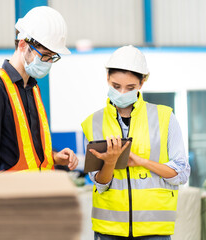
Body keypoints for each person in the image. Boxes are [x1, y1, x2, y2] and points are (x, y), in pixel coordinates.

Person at [81, 45, 190, 240]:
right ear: (107, 78)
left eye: (130, 87)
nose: (122, 93)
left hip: (154, 231)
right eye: (116, 86)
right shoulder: (94, 122)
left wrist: (141, 161)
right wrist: (110, 162)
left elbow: (181, 173)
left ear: (142, 82)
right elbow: (100, 184)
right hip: (109, 231)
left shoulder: (165, 117)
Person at [0, 6, 78, 172]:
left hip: (37, 193)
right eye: (44, 56)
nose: (48, 63)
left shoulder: (33, 89)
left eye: (52, 57)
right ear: (22, 45)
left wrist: (54, 157)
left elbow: (30, 156)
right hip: (11, 196)